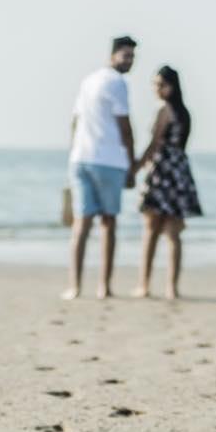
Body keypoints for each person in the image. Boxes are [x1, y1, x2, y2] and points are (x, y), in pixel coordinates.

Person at [63, 36, 138, 300]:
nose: (129, 61)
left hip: (80, 157)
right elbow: (125, 127)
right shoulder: (117, 83)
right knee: (107, 223)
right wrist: (131, 164)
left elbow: (75, 120)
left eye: (132, 57)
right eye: (125, 56)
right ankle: (103, 287)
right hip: (108, 160)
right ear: (113, 55)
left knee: (82, 224)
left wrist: (73, 152)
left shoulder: (88, 81)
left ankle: (75, 287)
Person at [132, 65, 202, 301]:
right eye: (155, 84)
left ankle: (144, 284)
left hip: (162, 172)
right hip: (180, 172)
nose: (156, 89)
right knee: (174, 233)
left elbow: (154, 145)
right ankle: (172, 288)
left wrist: (134, 169)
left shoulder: (164, 110)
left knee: (152, 230)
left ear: (171, 86)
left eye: (160, 84)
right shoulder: (185, 112)